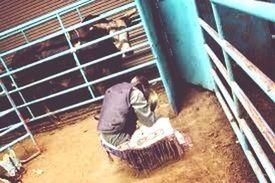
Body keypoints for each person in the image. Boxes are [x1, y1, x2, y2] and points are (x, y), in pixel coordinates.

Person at [97, 76, 157, 147]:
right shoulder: (136, 93)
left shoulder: (119, 88)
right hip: (117, 137)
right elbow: (149, 122)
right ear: (143, 87)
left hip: (104, 134)